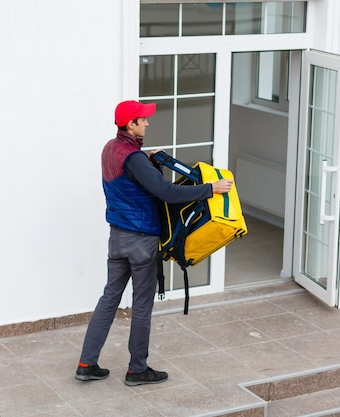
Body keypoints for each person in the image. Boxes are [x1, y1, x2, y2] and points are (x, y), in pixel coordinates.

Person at [75, 100, 233, 386]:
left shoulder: (111, 148)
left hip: (118, 238)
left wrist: (146, 159)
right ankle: (137, 370)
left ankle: (86, 363)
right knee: (142, 305)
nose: (147, 123)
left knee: (109, 299)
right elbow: (168, 192)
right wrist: (211, 189)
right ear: (130, 124)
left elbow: (130, 177)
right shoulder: (133, 158)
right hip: (141, 242)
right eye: (142, 119)